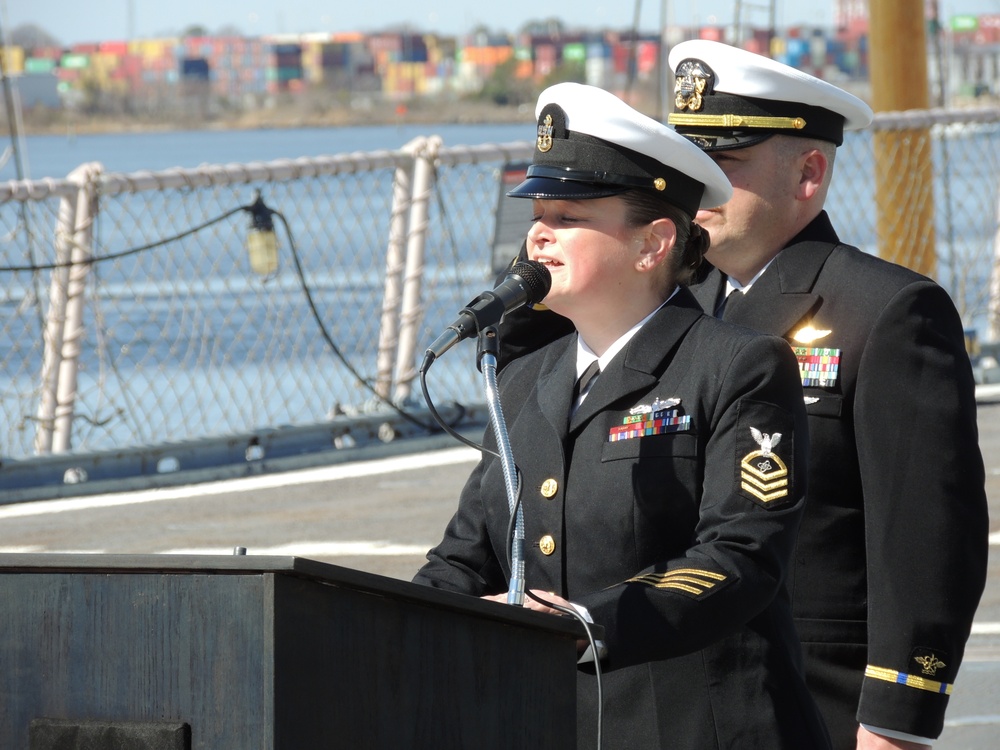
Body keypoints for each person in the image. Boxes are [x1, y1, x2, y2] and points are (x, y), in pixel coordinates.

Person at [414, 82, 831, 749]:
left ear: (653, 243)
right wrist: (402, 624)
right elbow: (465, 558)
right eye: (537, 214)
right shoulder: (520, 383)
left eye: (569, 216)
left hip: (703, 731)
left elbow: (741, 554)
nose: (538, 235)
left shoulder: (739, 367)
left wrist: (584, 621)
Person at [662, 40, 991, 749]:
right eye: (688, 164)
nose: (696, 188)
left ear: (808, 172)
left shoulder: (889, 313)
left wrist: (896, 722)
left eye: (722, 164)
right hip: (682, 701)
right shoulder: (673, 310)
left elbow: (928, 539)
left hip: (817, 708)